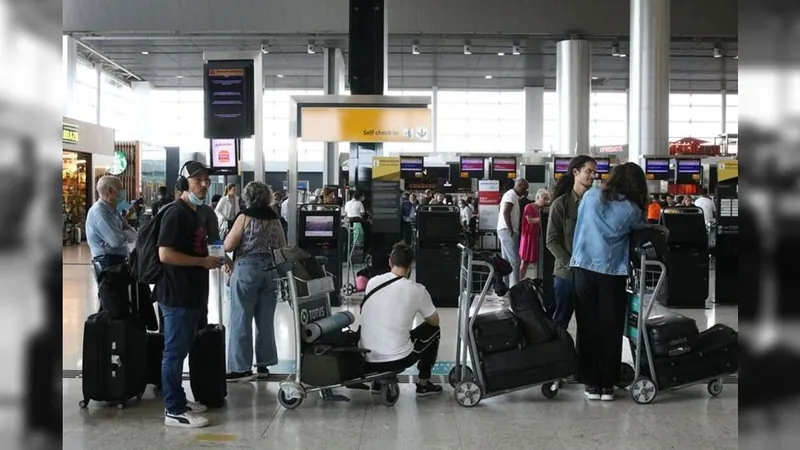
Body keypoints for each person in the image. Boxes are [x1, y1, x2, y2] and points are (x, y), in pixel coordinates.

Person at [569, 162, 666, 402]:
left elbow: (579, 225)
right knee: (610, 327)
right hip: (612, 272)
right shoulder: (632, 209)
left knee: (587, 325)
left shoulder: (590, 196)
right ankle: (607, 385)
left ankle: (591, 383)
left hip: (582, 267)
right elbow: (642, 232)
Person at [157, 161, 223, 428]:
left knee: (182, 349)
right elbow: (165, 254)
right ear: (184, 184)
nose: (204, 185)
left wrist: (215, 258)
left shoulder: (195, 212)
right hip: (177, 295)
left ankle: (179, 399)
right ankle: (173, 410)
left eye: (206, 180)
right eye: (198, 180)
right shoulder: (176, 213)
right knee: (174, 353)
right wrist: (200, 263)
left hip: (191, 293)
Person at [361, 241, 443, 397]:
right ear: (411, 264)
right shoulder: (417, 290)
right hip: (398, 359)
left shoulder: (372, 282)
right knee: (434, 331)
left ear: (390, 261)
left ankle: (377, 381)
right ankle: (423, 384)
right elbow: (434, 322)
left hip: (367, 357)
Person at [224, 181, 287, 382]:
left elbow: (228, 245)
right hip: (270, 271)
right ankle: (264, 364)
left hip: (246, 271)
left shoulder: (244, 217)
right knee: (265, 320)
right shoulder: (275, 220)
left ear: (247, 198)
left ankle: (241, 368)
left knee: (241, 318)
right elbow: (282, 247)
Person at [546, 155, 597, 330]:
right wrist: (571, 265)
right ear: (575, 172)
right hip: (566, 275)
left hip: (590, 273)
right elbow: (551, 240)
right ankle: (559, 356)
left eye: (594, 172)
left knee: (588, 323)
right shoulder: (561, 205)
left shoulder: (595, 204)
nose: (592, 176)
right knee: (561, 321)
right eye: (588, 171)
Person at [85, 176, 137, 271]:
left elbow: (130, 232)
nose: (124, 192)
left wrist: (123, 233)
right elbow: (116, 241)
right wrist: (125, 234)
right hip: (108, 263)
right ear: (110, 190)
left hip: (118, 261)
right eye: (121, 189)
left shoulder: (113, 210)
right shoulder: (100, 213)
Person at [497, 178, 529, 288]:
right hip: (507, 230)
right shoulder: (511, 195)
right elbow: (506, 212)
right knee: (515, 261)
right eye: (524, 188)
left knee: (506, 261)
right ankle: (515, 288)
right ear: (519, 185)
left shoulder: (510, 195)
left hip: (504, 230)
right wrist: (510, 228)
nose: (525, 191)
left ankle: (505, 286)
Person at [519, 189, 550, 280]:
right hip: (528, 237)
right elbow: (530, 220)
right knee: (525, 262)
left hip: (537, 237)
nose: (546, 201)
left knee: (537, 262)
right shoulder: (529, 207)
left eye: (547, 199)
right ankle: (519, 282)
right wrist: (543, 218)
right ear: (538, 197)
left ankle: (538, 282)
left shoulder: (542, 210)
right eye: (544, 198)